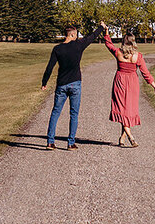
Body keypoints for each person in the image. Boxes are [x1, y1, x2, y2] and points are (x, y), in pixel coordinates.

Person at [40, 21, 106, 150]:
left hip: (61, 84)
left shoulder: (57, 49)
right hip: (75, 83)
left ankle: (50, 142)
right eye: (75, 35)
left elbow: (50, 67)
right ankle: (71, 143)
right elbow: (92, 36)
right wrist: (102, 27)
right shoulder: (78, 45)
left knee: (55, 112)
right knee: (74, 114)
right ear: (72, 35)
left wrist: (44, 82)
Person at [103, 30, 155, 147]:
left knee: (126, 110)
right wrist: (154, 86)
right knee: (125, 110)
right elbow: (145, 73)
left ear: (123, 42)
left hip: (120, 81)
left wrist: (106, 33)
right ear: (133, 42)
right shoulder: (138, 56)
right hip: (132, 82)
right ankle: (130, 137)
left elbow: (108, 44)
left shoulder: (118, 52)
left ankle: (122, 137)